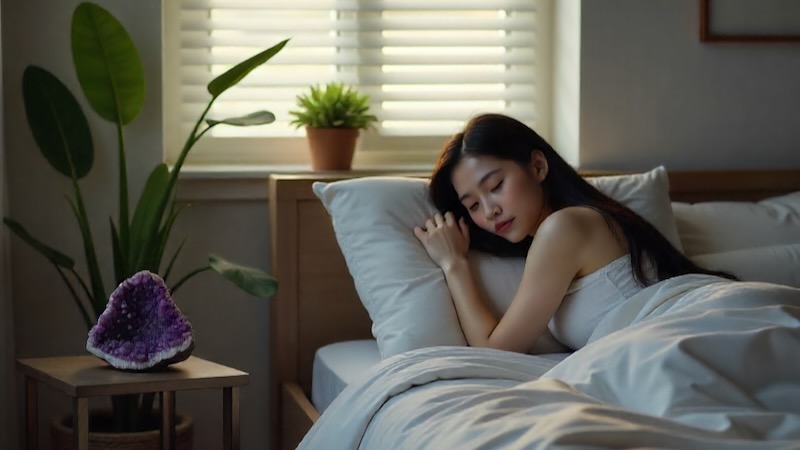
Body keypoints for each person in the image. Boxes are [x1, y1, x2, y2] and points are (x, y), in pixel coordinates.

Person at [413, 113, 735, 353]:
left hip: (695, 334)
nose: (489, 210)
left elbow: (495, 350)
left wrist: (454, 264)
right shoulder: (574, 226)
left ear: (538, 166)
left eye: (496, 186)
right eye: (472, 205)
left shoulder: (562, 228)